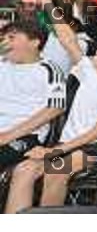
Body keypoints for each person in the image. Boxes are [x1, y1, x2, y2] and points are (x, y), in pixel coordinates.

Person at [4, 0, 97, 213]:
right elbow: (68, 38)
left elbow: (96, 133)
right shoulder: (89, 72)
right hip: (67, 144)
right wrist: (48, 3)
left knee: (56, 170)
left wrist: (52, 152)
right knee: (24, 169)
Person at [0, 21, 65, 171]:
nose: (5, 43)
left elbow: (56, 107)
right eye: (4, 38)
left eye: (12, 38)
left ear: (34, 42)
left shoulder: (49, 70)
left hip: (25, 136)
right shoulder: (3, 64)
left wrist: (8, 136)